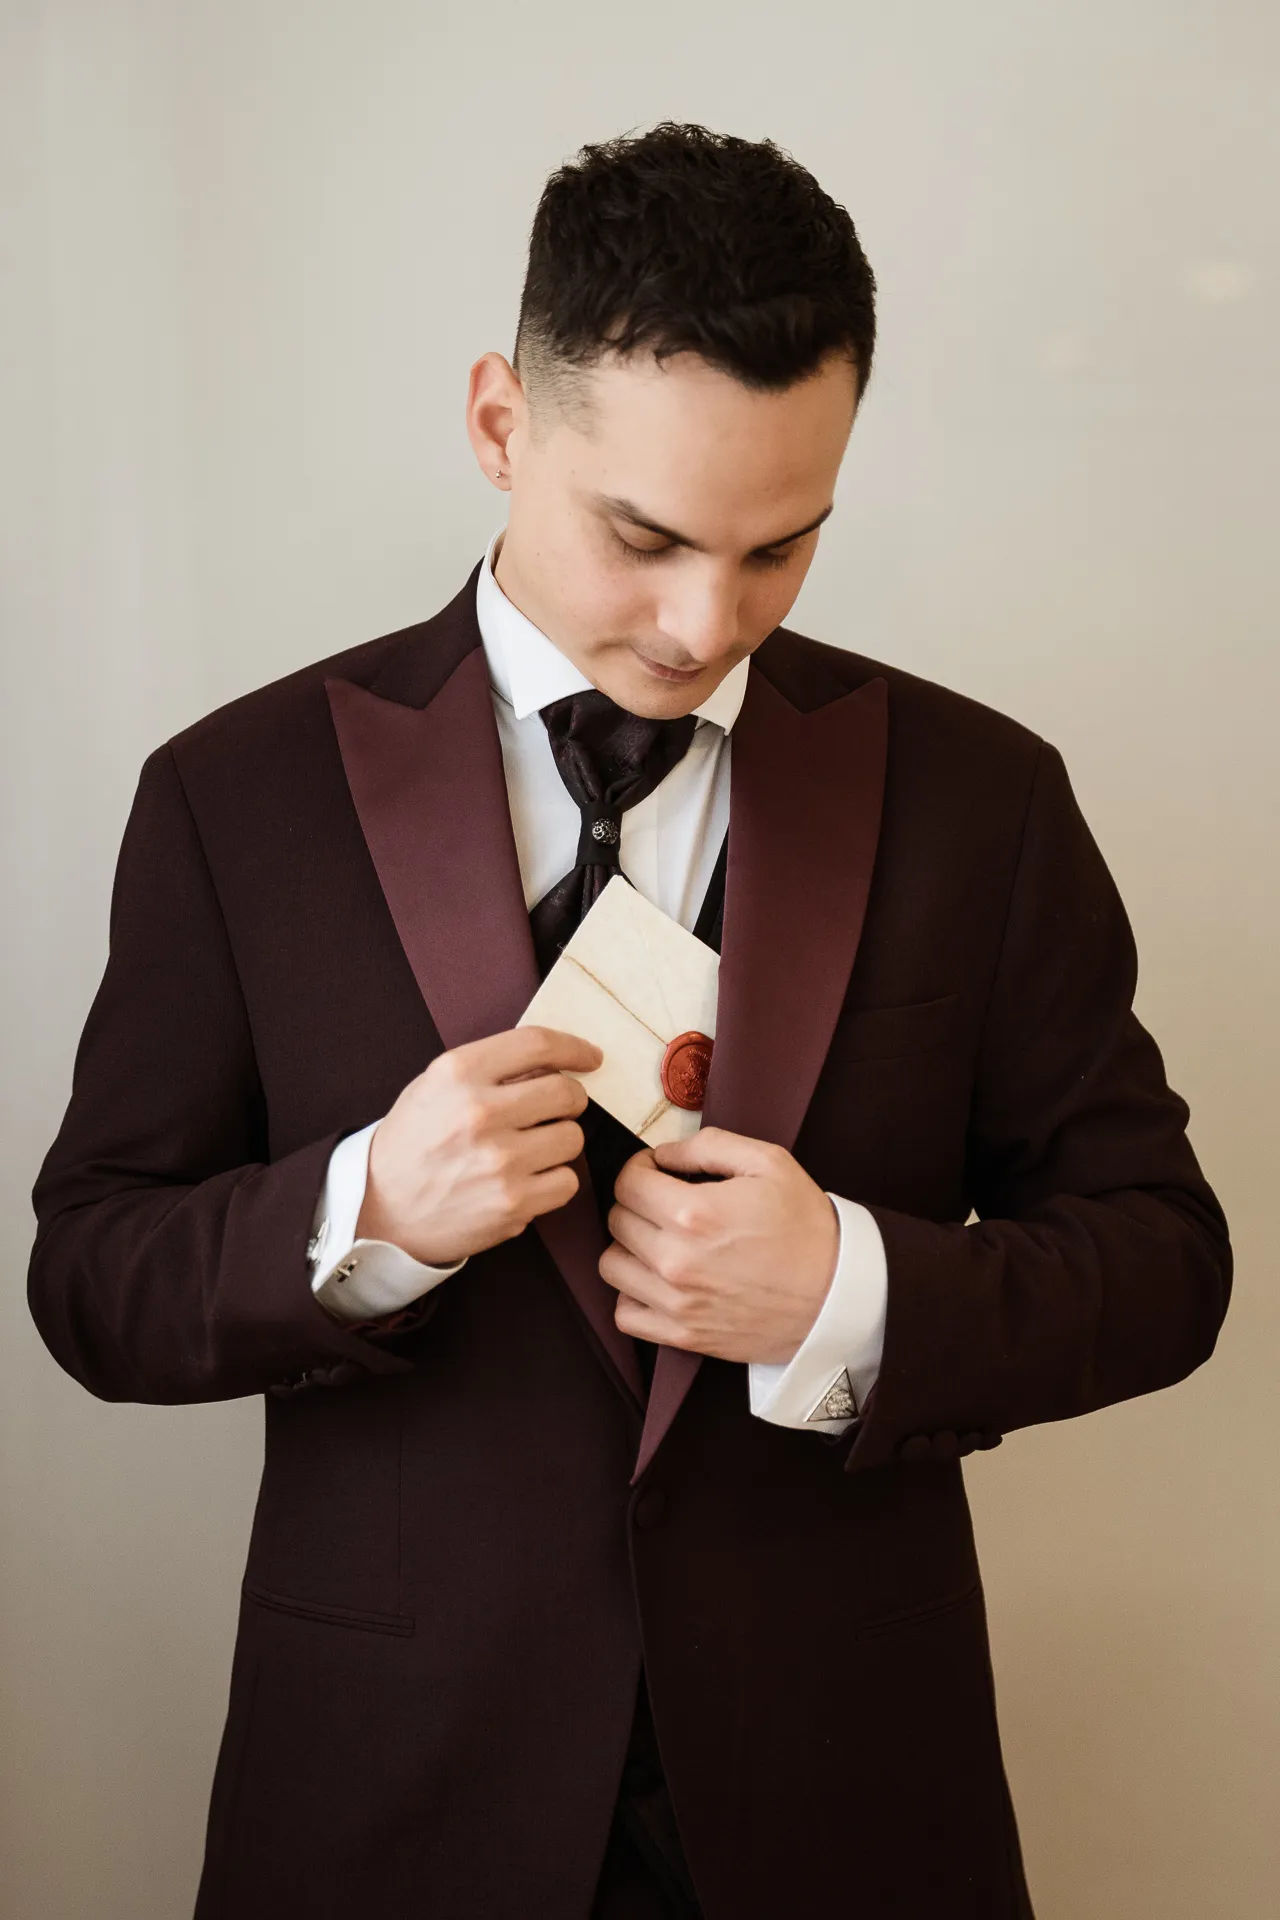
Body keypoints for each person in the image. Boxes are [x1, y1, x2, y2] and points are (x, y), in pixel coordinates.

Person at [27, 121, 1231, 1920]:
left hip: (846, 1796)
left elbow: (1164, 1258)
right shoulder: (234, 798)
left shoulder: (983, 800)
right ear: (501, 421)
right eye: (644, 537)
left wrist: (849, 1292)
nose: (701, 623)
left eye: (780, 550)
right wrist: (361, 1213)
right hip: (390, 1798)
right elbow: (91, 1277)